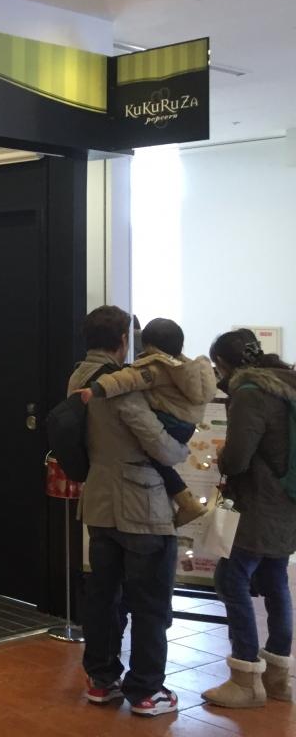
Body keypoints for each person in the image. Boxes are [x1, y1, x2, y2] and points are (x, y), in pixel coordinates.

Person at [72, 305, 190, 717]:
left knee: (104, 596)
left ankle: (101, 680)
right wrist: (182, 448)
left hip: (99, 502)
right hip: (140, 505)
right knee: (150, 601)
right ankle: (145, 690)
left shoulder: (78, 377)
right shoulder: (118, 385)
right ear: (124, 340)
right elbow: (159, 445)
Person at [200, 330, 296, 708]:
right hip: (287, 502)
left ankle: (245, 679)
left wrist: (222, 456)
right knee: (275, 579)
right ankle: (277, 678)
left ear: (225, 364)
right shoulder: (287, 384)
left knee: (231, 577)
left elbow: (238, 459)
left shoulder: (250, 393)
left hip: (257, 502)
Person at [74, 318, 215, 527]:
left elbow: (126, 380)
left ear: (148, 345)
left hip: (167, 427)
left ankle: (188, 502)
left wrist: (96, 389)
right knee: (158, 457)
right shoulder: (189, 369)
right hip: (186, 425)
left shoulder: (155, 367)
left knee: (150, 452)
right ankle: (187, 502)